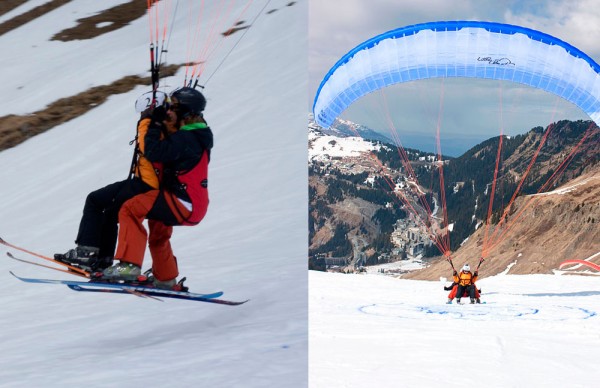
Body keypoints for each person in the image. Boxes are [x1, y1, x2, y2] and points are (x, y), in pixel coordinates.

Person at [101, 87, 212, 289]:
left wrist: (155, 123)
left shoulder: (187, 138)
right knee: (158, 231)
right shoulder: (196, 135)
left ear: (185, 111)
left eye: (172, 106)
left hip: (182, 202)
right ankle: (166, 277)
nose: (168, 109)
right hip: (191, 203)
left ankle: (129, 266)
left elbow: (153, 151)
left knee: (130, 208)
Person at [55, 92, 177, 274]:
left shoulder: (152, 125)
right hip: (147, 182)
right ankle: (102, 259)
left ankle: (85, 253)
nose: (141, 115)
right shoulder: (169, 126)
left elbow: (147, 149)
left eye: (142, 112)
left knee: (94, 200)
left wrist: (146, 121)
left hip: (144, 184)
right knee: (111, 213)